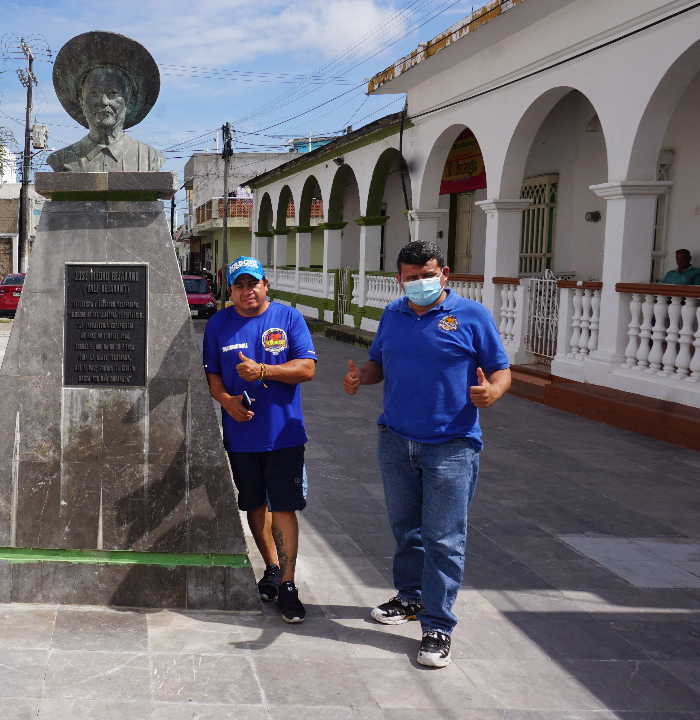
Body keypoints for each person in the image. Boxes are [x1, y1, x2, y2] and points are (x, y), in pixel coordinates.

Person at [343, 240, 511, 668]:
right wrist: (361, 377)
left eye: (427, 274)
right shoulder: (393, 314)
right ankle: (411, 597)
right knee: (406, 528)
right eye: (411, 276)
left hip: (451, 446)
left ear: (445, 273)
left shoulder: (472, 316)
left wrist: (492, 391)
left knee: (443, 538)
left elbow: (501, 369)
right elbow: (378, 363)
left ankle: (438, 625)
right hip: (396, 440)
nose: (419, 283)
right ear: (399, 277)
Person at [202, 256, 317, 623]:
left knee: (283, 506)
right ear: (230, 290)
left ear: (266, 284)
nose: (247, 291)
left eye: (253, 284)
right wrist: (226, 402)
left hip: (284, 433)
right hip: (240, 436)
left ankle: (287, 585)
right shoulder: (218, 324)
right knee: (254, 503)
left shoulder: (287, 318)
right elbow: (213, 376)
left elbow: (307, 368)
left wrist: (264, 370)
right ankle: (270, 566)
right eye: (239, 285)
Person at [46, 31, 165, 172]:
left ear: (131, 102)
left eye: (113, 93)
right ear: (81, 101)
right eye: (94, 94)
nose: (103, 101)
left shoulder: (149, 158)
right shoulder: (62, 160)